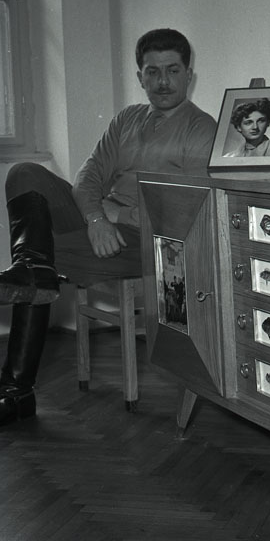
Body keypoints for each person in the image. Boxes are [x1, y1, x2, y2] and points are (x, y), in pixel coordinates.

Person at [0, 28, 216, 426]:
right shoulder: (127, 119)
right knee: (25, 173)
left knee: (39, 259)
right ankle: (32, 269)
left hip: (146, 241)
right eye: (152, 72)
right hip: (100, 222)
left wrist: (113, 216)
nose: (162, 81)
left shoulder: (202, 130)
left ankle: (16, 390)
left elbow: (182, 210)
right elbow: (87, 179)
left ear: (189, 74)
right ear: (139, 77)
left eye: (172, 70)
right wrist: (97, 217)